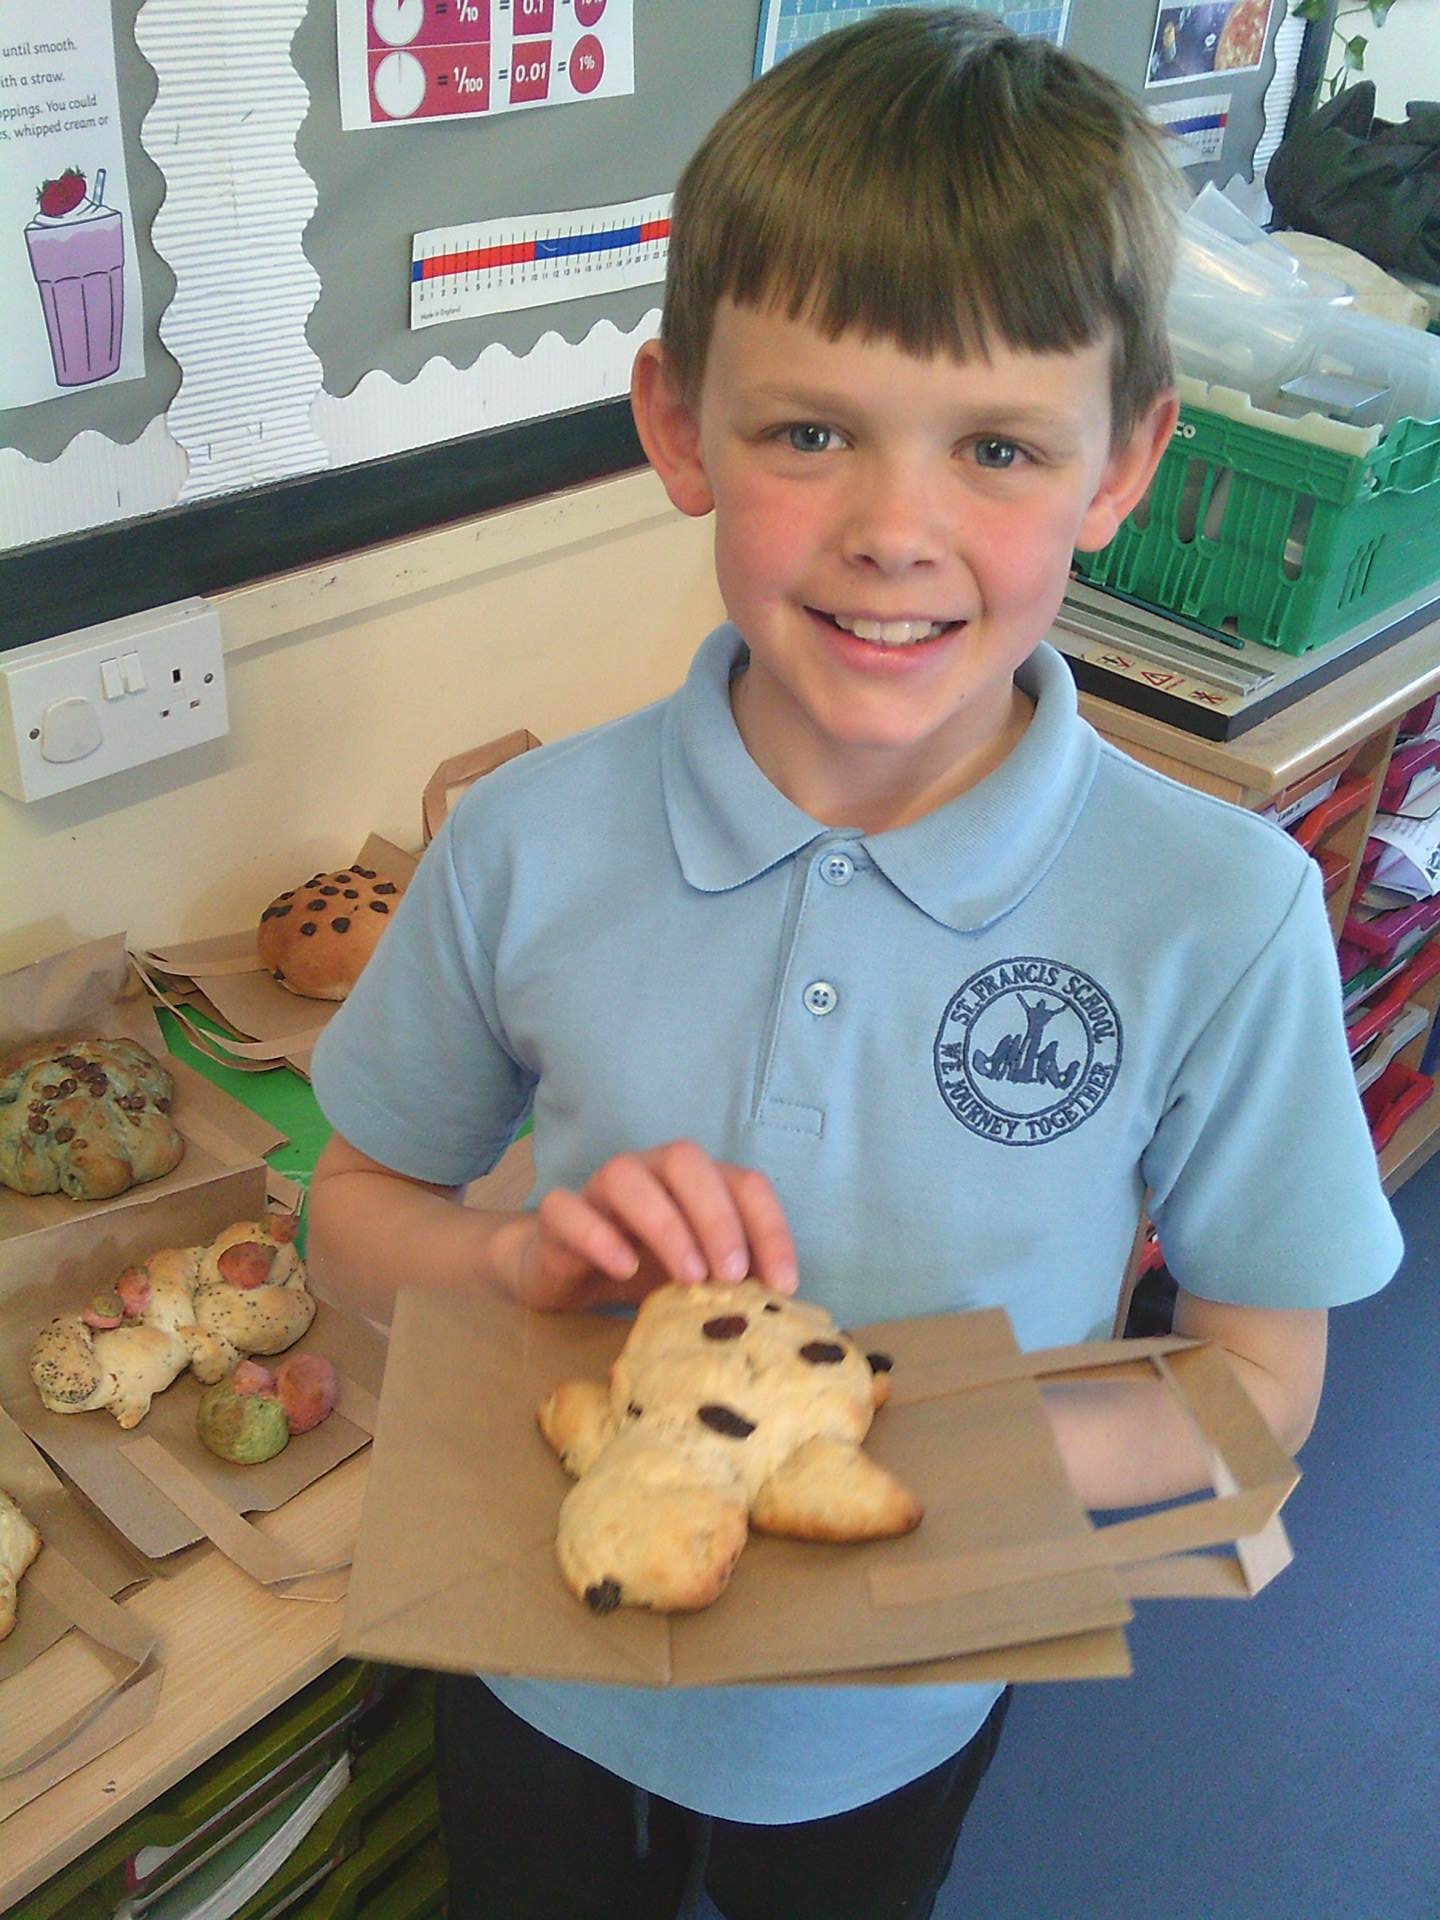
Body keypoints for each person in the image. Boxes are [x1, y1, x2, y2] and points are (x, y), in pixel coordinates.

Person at [305, 12, 1403, 1918]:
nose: (897, 532)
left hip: (899, 1706)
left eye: (999, 448)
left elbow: (1259, 1382)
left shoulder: (1216, 913)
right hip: (537, 1653)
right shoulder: (520, 842)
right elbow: (350, 1219)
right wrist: (511, 1265)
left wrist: (901, 1448)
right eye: (811, 432)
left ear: (1125, 464)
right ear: (680, 427)